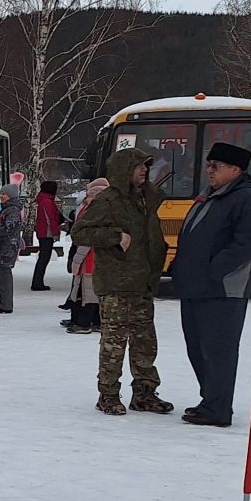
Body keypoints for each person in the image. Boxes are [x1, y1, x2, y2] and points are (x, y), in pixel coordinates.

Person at [171, 141, 251, 427]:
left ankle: (218, 408)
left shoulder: (248, 199)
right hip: (195, 286)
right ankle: (210, 400)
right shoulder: (211, 195)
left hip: (222, 289)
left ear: (236, 170)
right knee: (197, 347)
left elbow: (247, 243)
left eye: (216, 166)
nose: (209, 171)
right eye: (209, 165)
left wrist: (214, 269)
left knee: (218, 349)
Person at [70, 148, 173, 416]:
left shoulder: (145, 197)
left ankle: (145, 393)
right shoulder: (109, 200)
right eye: (139, 166)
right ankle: (108, 394)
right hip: (117, 283)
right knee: (114, 343)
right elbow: (79, 232)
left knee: (145, 342)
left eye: (146, 167)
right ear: (124, 169)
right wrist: (116, 236)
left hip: (143, 281)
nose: (144, 170)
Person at [63, 178, 108, 334]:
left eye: (88, 195)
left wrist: (76, 259)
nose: (85, 198)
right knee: (93, 292)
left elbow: (86, 240)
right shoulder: (106, 211)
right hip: (99, 260)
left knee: (88, 293)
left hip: (89, 260)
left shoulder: (93, 213)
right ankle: (97, 322)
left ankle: (84, 323)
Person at [0, 193, 22, 314]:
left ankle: (6, 305)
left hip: (6, 247)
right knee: (2, 275)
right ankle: (4, 303)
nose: (1, 196)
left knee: (4, 275)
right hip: (3, 246)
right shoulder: (7, 209)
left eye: (4, 194)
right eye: (1, 194)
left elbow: (9, 228)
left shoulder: (12, 210)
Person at [31, 180, 63, 290]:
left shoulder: (43, 200)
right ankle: (37, 283)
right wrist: (55, 232)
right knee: (44, 258)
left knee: (43, 258)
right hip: (46, 233)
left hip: (43, 232)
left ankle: (38, 282)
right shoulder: (47, 202)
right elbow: (51, 219)